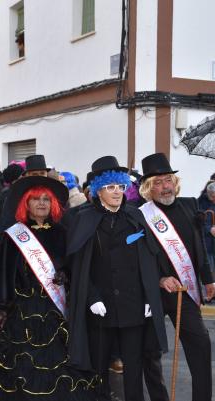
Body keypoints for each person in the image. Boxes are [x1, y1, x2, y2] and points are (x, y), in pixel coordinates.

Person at [0, 175, 98, 400]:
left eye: (46, 199)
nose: (42, 203)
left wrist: (65, 274)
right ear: (26, 204)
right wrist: (1, 308)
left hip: (55, 306)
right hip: (21, 308)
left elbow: (72, 266)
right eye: (36, 199)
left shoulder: (62, 232)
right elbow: (5, 273)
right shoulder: (14, 235)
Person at [67, 156, 168, 401]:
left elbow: (148, 260)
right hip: (101, 309)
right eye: (110, 187)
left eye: (120, 186)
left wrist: (148, 299)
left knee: (133, 368)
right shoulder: (83, 218)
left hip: (133, 307)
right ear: (98, 190)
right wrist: (91, 297)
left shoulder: (135, 217)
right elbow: (77, 267)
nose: (117, 192)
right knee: (99, 368)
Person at [137, 153, 215, 401]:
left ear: (174, 181)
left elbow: (198, 246)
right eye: (158, 183)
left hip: (184, 291)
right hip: (154, 292)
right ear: (148, 188)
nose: (164, 187)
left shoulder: (189, 205)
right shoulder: (139, 214)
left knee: (201, 345)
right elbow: (139, 257)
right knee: (150, 352)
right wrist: (160, 278)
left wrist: (208, 278)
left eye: (167, 180)